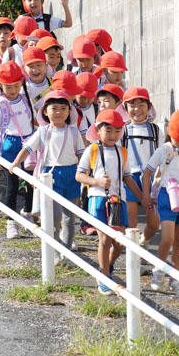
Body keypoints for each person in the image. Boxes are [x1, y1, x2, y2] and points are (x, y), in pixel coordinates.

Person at [76, 108, 144, 295]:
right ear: (98, 130)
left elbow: (128, 177)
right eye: (108, 130)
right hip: (98, 199)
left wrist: (142, 198)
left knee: (120, 243)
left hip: (118, 200)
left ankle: (107, 266)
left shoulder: (122, 151)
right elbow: (79, 175)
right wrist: (97, 182)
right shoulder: (92, 149)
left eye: (117, 130)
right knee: (104, 240)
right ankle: (104, 277)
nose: (113, 134)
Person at [9, 90, 84, 251]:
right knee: (54, 216)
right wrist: (15, 163)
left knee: (70, 217)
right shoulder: (42, 131)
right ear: (45, 111)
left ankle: (68, 247)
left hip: (72, 174)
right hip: (50, 175)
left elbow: (81, 154)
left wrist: (86, 172)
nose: (58, 112)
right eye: (54, 108)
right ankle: (55, 249)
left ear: (69, 111)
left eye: (63, 108)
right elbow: (28, 149)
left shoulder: (73, 131)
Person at [143, 109, 179, 295]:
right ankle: (158, 271)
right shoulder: (163, 150)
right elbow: (147, 173)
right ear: (170, 133)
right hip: (166, 196)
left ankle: (176, 279)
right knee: (167, 238)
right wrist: (146, 195)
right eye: (178, 138)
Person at [0, 61, 36, 239]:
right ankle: (11, 221)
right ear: (1, 85)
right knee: (12, 184)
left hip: (28, 144)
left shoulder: (25, 99)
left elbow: (32, 120)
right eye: (8, 86)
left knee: (31, 183)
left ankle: (28, 213)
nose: (13, 90)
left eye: (16, 85)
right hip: (9, 145)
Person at [121, 87, 162, 245]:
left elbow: (161, 154)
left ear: (149, 107)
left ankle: (143, 241)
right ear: (125, 108)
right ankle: (133, 253)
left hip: (151, 179)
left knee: (153, 223)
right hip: (129, 178)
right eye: (132, 105)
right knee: (131, 220)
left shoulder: (155, 130)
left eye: (141, 105)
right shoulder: (122, 131)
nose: (137, 109)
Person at [23, 46, 52, 119]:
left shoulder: (54, 83)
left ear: (46, 65)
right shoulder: (24, 89)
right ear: (24, 68)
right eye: (30, 66)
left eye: (39, 65)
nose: (35, 70)